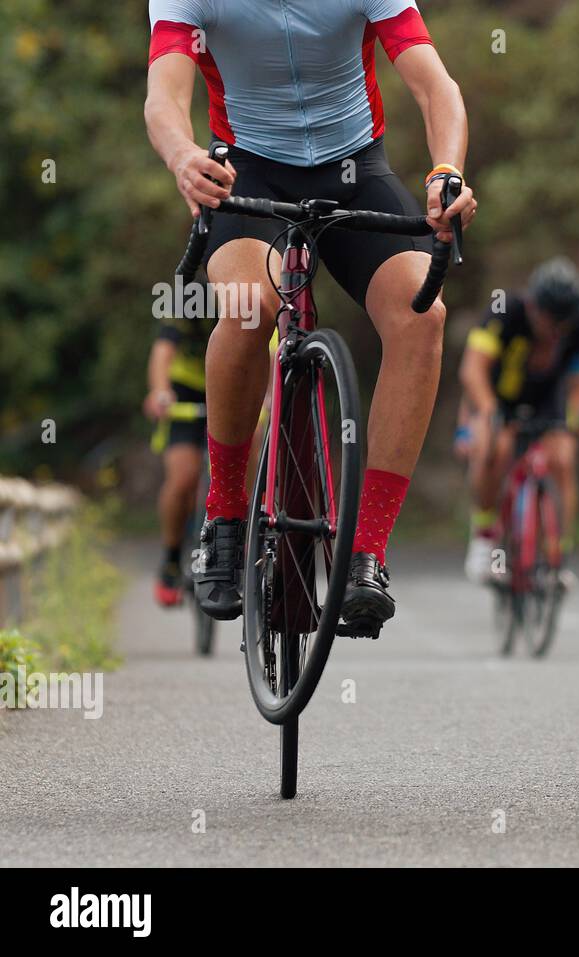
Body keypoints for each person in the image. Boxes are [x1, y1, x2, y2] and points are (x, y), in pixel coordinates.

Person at [144, 0, 477, 632]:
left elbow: (436, 86)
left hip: (355, 170)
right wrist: (183, 157)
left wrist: (446, 173)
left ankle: (366, 554)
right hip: (248, 175)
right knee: (248, 309)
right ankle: (224, 518)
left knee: (422, 316)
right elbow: (163, 97)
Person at [458, 258, 579, 584]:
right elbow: (472, 369)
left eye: (564, 322)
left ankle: (557, 554)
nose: (555, 330)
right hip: (497, 398)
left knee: (561, 459)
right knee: (498, 448)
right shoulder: (505, 310)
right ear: (533, 306)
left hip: (548, 403)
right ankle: (485, 537)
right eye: (549, 319)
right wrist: (488, 409)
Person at [143, 313, 213, 607]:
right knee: (183, 478)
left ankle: (241, 544)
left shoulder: (252, 294)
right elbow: (162, 351)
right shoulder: (191, 298)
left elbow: (271, 349)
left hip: (234, 383)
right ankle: (171, 560)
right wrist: (160, 391)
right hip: (184, 393)